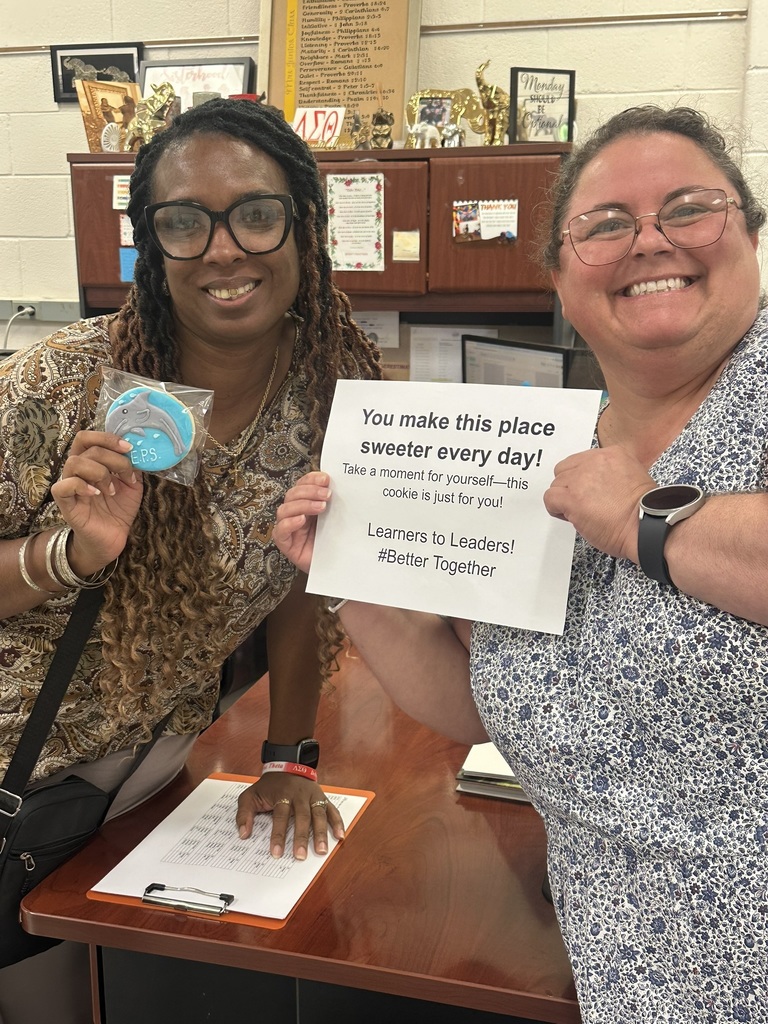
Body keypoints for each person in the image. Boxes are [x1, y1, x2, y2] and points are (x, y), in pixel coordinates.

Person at [273, 106, 768, 1023]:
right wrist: (348, 578)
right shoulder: (550, 454)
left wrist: (641, 519)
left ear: (747, 230)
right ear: (559, 275)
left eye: (691, 208)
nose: (649, 242)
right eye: (606, 225)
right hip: (633, 976)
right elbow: (484, 701)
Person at [0, 97, 380, 1023]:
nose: (223, 249)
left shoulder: (338, 386)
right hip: (20, 783)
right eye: (184, 221)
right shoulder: (57, 385)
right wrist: (69, 555)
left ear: (308, 228)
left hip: (143, 787)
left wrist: (289, 757)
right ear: (150, 244)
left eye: (257, 212)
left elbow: (302, 578)